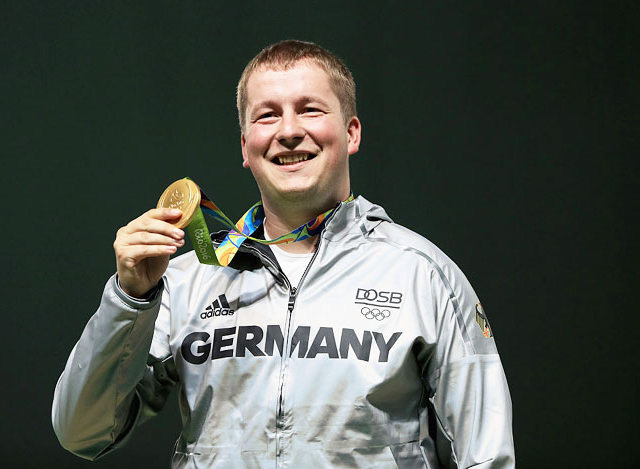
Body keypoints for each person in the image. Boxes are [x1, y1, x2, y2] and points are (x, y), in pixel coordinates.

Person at [52, 40, 515, 468]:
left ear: (351, 133)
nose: (289, 131)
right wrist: (130, 299)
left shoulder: (423, 274)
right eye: (267, 116)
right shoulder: (187, 278)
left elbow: (486, 455)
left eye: (310, 110)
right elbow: (83, 432)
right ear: (246, 147)